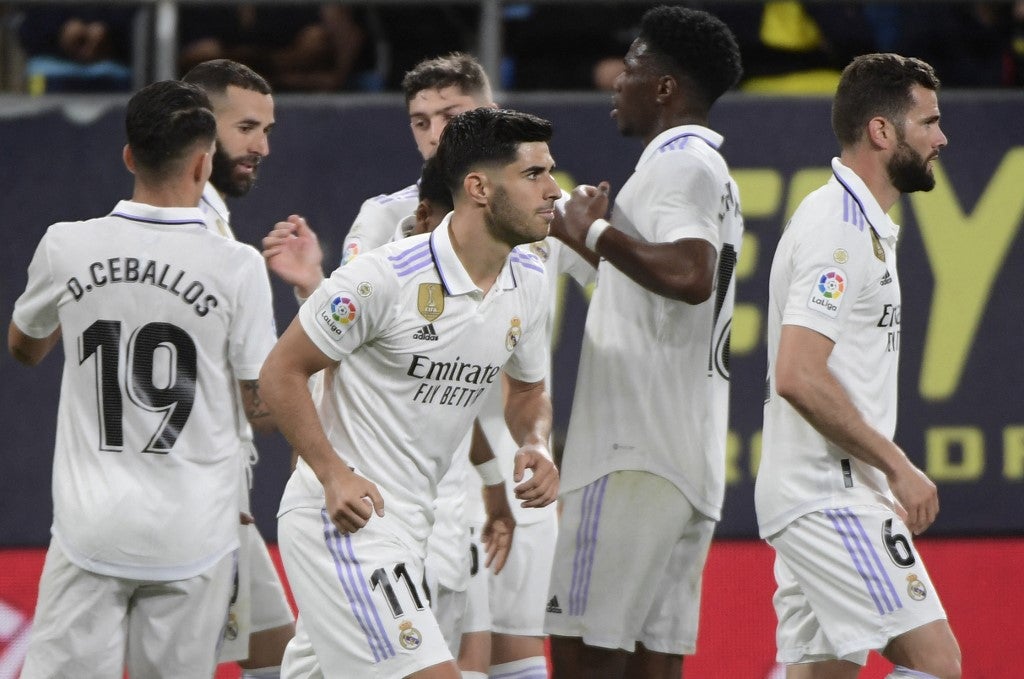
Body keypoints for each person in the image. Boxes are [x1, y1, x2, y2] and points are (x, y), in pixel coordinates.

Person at [263, 51, 582, 678]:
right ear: (480, 188)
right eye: (536, 174)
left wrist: (537, 443)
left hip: (425, 520)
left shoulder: (528, 278)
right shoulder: (384, 274)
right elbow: (282, 370)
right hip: (350, 522)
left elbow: (527, 390)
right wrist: (332, 473)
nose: (553, 190)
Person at [8, 80, 278, 677]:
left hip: (90, 531)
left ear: (129, 155)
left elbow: (24, 348)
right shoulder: (238, 266)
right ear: (205, 162)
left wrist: (86, 310)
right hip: (195, 535)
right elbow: (260, 404)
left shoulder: (67, 245)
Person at [543, 6, 744, 678]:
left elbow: (691, 275)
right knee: (650, 664)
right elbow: (650, 289)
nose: (616, 84)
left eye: (630, 69)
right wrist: (579, 233)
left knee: (582, 657)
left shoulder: (680, 165)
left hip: (628, 453)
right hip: (685, 459)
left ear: (663, 87)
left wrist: (597, 233)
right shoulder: (708, 169)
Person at [756, 53, 961, 679]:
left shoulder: (860, 224)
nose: (941, 138)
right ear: (882, 131)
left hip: (823, 492)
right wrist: (897, 468)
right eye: (928, 122)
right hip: (830, 497)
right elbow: (798, 373)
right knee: (937, 664)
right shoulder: (839, 228)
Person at [181, 58, 297, 679]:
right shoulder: (205, 238)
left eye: (267, 129)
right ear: (201, 128)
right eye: (248, 127)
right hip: (193, 502)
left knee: (279, 651)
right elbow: (261, 401)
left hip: (222, 493)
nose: (263, 146)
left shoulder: (210, 219)